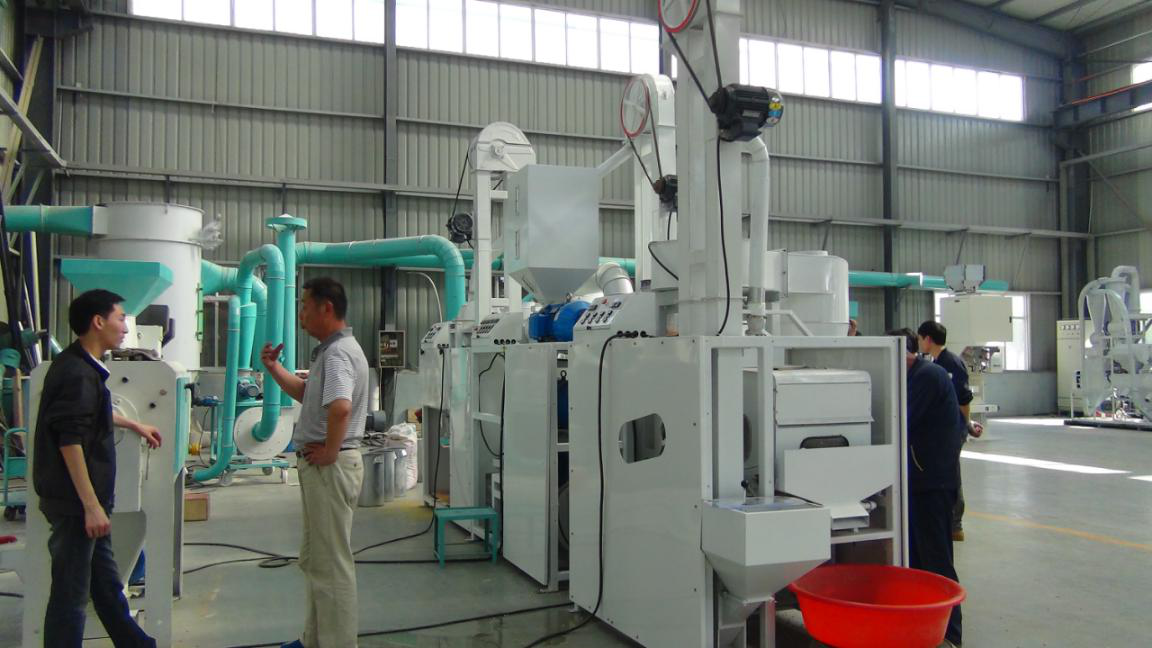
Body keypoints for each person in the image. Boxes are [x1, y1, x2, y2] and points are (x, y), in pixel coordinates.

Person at [33, 289, 163, 648]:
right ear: (98, 322)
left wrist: (132, 424)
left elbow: (88, 414)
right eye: (121, 318)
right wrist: (90, 506)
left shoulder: (81, 367)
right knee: (70, 597)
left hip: (90, 504)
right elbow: (69, 440)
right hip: (77, 506)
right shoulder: (77, 373)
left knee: (106, 588)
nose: (125, 328)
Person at [261, 277, 369, 648]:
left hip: (329, 468)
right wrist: (274, 368)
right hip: (324, 467)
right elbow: (309, 395)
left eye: (305, 306)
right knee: (316, 561)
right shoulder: (331, 352)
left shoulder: (337, 354)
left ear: (327, 308)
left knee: (332, 565)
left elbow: (340, 408)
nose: (301, 314)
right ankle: (314, 640)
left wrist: (331, 451)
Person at [890, 328, 966, 647]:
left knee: (936, 560)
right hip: (917, 481)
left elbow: (899, 421)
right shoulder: (916, 375)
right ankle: (924, 628)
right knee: (918, 561)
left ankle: (950, 634)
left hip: (932, 483)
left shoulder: (926, 377)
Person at [917, 320, 982, 542]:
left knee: (951, 473)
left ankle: (955, 524)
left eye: (920, 339)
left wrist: (966, 425)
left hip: (952, 429)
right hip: (944, 428)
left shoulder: (950, 363)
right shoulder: (936, 363)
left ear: (928, 339)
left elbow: (963, 399)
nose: (920, 343)